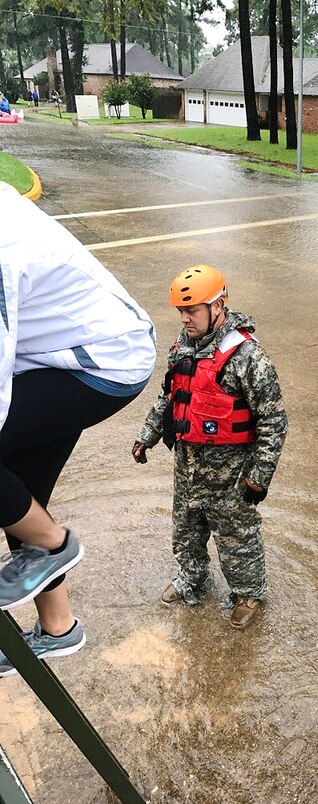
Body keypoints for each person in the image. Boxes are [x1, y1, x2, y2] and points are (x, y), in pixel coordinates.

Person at [0, 182, 156, 678]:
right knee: (19, 498)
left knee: (21, 510)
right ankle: (59, 626)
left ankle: (52, 542)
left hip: (98, 364)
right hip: (60, 354)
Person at [132, 265, 287, 629]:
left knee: (236, 536)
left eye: (192, 310)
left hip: (231, 473)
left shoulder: (248, 357)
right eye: (181, 311)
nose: (185, 318)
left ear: (219, 306)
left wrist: (259, 475)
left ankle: (247, 592)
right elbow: (170, 396)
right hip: (187, 464)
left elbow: (273, 420)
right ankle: (193, 580)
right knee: (186, 528)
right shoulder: (182, 347)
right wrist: (148, 434)